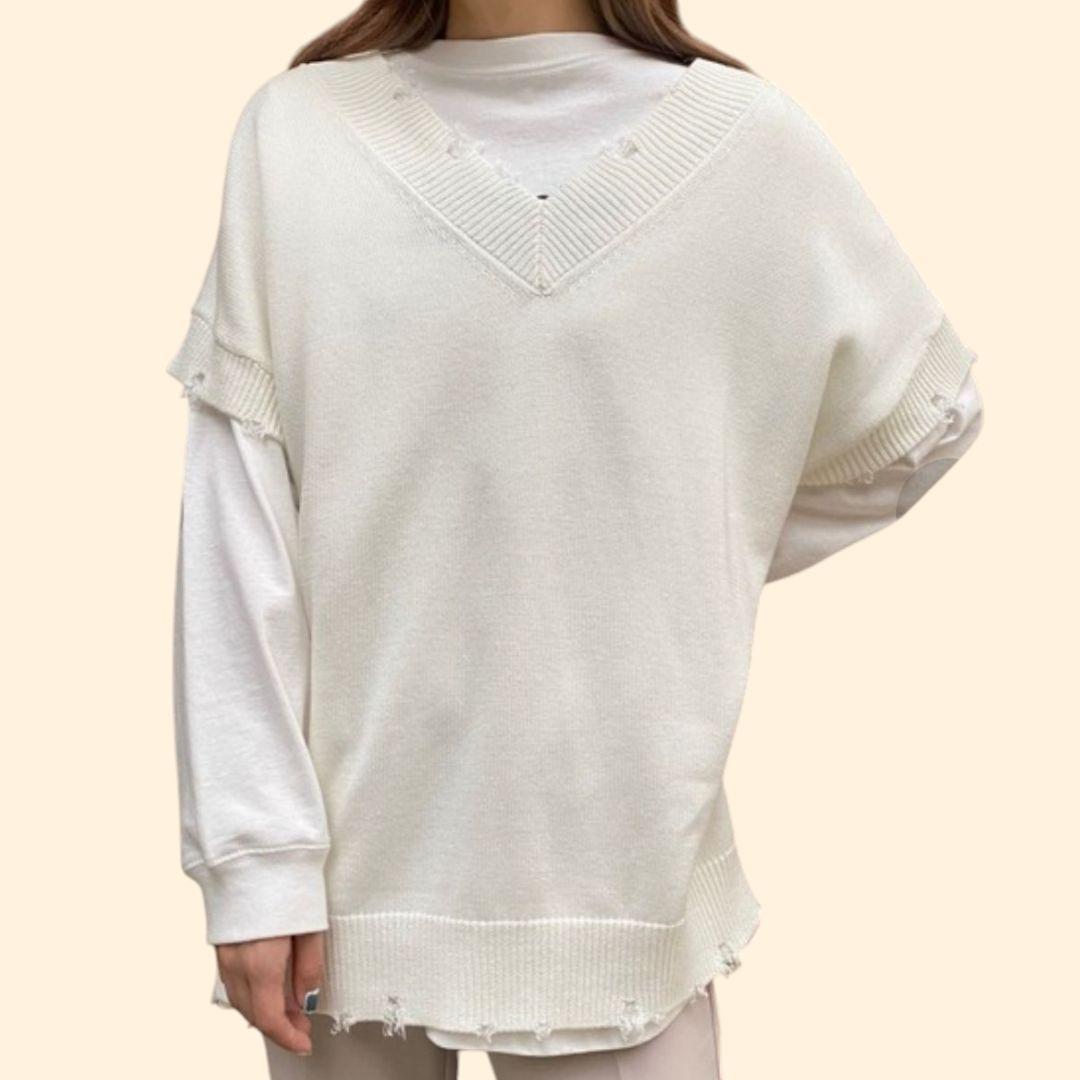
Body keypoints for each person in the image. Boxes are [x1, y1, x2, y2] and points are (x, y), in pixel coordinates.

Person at [166, 2, 986, 1077]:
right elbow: (239, 527)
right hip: (339, 885)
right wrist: (254, 862)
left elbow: (921, 422)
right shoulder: (297, 134)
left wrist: (693, 545)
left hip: (629, 882)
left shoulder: (750, 145)